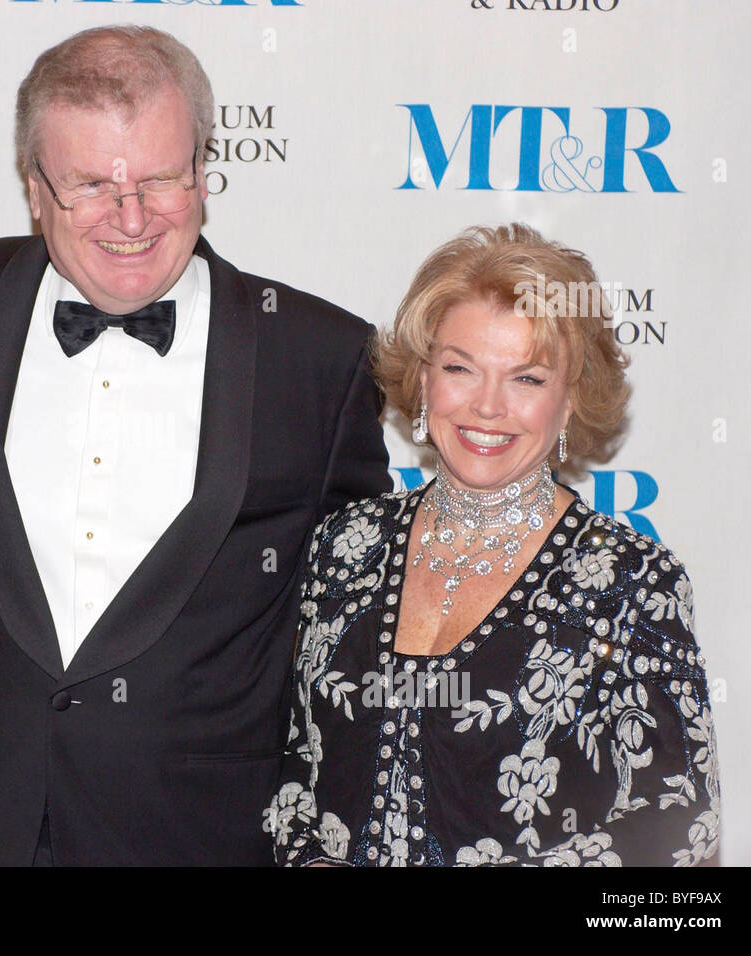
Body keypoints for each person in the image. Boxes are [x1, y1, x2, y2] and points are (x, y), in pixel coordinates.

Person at [0, 24, 390, 866]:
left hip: (195, 835)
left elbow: (358, 624)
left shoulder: (316, 356)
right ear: (34, 189)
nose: (130, 217)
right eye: (89, 184)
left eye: (160, 178)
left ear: (203, 171)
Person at [267, 223, 720, 866]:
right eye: (460, 368)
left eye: (527, 379)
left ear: (568, 404)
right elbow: (296, 767)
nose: (486, 406)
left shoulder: (631, 585)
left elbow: (679, 827)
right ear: (423, 382)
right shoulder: (345, 546)